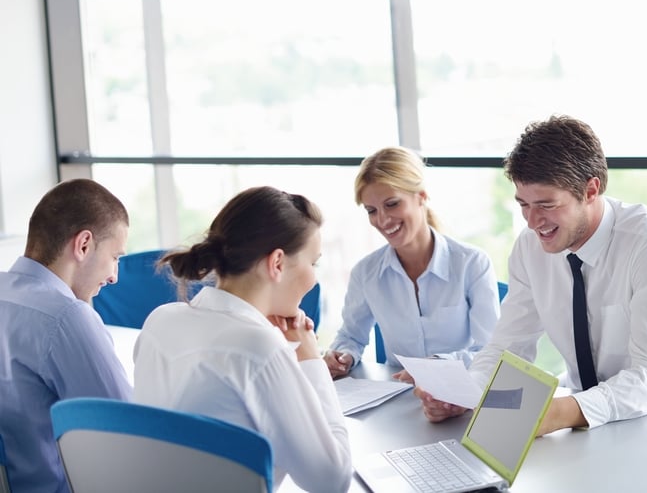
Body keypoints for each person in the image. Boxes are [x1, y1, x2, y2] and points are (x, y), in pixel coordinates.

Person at [417, 115, 647, 435]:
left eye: (546, 205)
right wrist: (468, 394)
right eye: (523, 204)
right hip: (592, 426)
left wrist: (564, 411)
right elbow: (506, 348)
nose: (533, 221)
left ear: (590, 190)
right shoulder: (529, 248)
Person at [133, 186, 351, 493]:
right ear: (277, 263)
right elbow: (332, 480)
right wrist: (310, 359)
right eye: (313, 263)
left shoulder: (161, 320)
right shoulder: (258, 347)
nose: (314, 277)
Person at [0, 178, 132, 493]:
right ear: (83, 244)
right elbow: (129, 438)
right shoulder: (65, 318)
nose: (113, 275)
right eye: (115, 256)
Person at [324, 146, 500, 381]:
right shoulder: (365, 273)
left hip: (462, 392)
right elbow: (351, 336)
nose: (382, 220)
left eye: (392, 204)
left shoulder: (472, 264)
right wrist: (342, 356)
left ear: (422, 197)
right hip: (400, 396)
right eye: (371, 210)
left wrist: (438, 365)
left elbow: (491, 352)